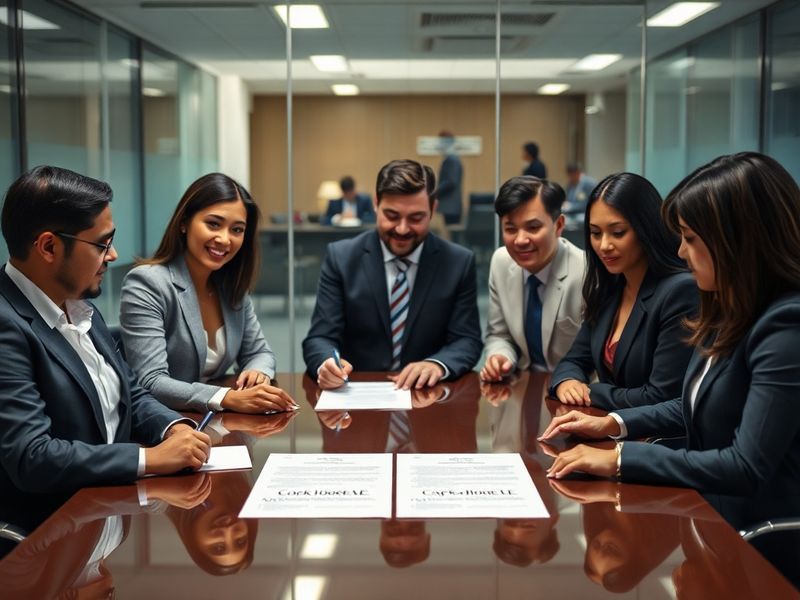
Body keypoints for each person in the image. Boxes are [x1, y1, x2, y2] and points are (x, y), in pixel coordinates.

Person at [540, 152, 800, 588]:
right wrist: (612, 423)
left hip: (760, 547)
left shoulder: (785, 324)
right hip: (709, 522)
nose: (680, 251)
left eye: (691, 238)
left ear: (739, 240)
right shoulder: (728, 307)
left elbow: (745, 466)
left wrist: (621, 457)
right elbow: (687, 406)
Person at [0, 166, 211, 510]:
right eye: (102, 244)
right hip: (52, 534)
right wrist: (149, 460)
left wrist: (173, 428)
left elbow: (128, 391)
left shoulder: (79, 304)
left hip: (107, 510)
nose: (113, 255)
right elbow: (32, 456)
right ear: (49, 247)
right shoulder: (6, 325)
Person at [120, 173, 297, 414]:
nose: (225, 239)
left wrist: (258, 373)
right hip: (168, 426)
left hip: (219, 424)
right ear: (184, 222)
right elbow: (151, 381)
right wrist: (226, 398)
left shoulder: (229, 285)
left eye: (237, 229)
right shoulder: (148, 283)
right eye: (213, 224)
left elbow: (260, 352)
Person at [303, 159, 482, 390]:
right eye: (392, 215)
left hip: (428, 398)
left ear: (433, 208)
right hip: (358, 398)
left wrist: (437, 365)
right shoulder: (342, 258)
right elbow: (320, 338)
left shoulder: (458, 262)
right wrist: (327, 364)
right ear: (376, 204)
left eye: (416, 218)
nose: (402, 229)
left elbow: (467, 340)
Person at [550, 172, 698, 411]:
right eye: (596, 233)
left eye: (618, 233)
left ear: (646, 228)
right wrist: (566, 381)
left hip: (655, 441)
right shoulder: (610, 286)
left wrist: (591, 392)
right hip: (609, 431)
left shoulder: (679, 291)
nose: (604, 245)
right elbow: (574, 360)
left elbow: (661, 395)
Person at [481, 176, 585, 382]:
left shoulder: (587, 272)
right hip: (520, 389)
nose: (520, 240)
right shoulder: (501, 262)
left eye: (533, 228)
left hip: (574, 395)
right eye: (510, 229)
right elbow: (498, 334)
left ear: (559, 225)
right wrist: (500, 356)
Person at [436, 131, 463, 225]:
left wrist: (434, 192)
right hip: (450, 206)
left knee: (453, 234)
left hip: (451, 205)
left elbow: (451, 182)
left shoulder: (452, 160)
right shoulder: (450, 158)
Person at [563, 162, 597, 229]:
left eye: (572, 175)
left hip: (584, 214)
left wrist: (570, 207)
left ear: (577, 173)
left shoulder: (589, 184)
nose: (570, 177)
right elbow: (567, 198)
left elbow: (589, 203)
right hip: (572, 215)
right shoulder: (570, 184)